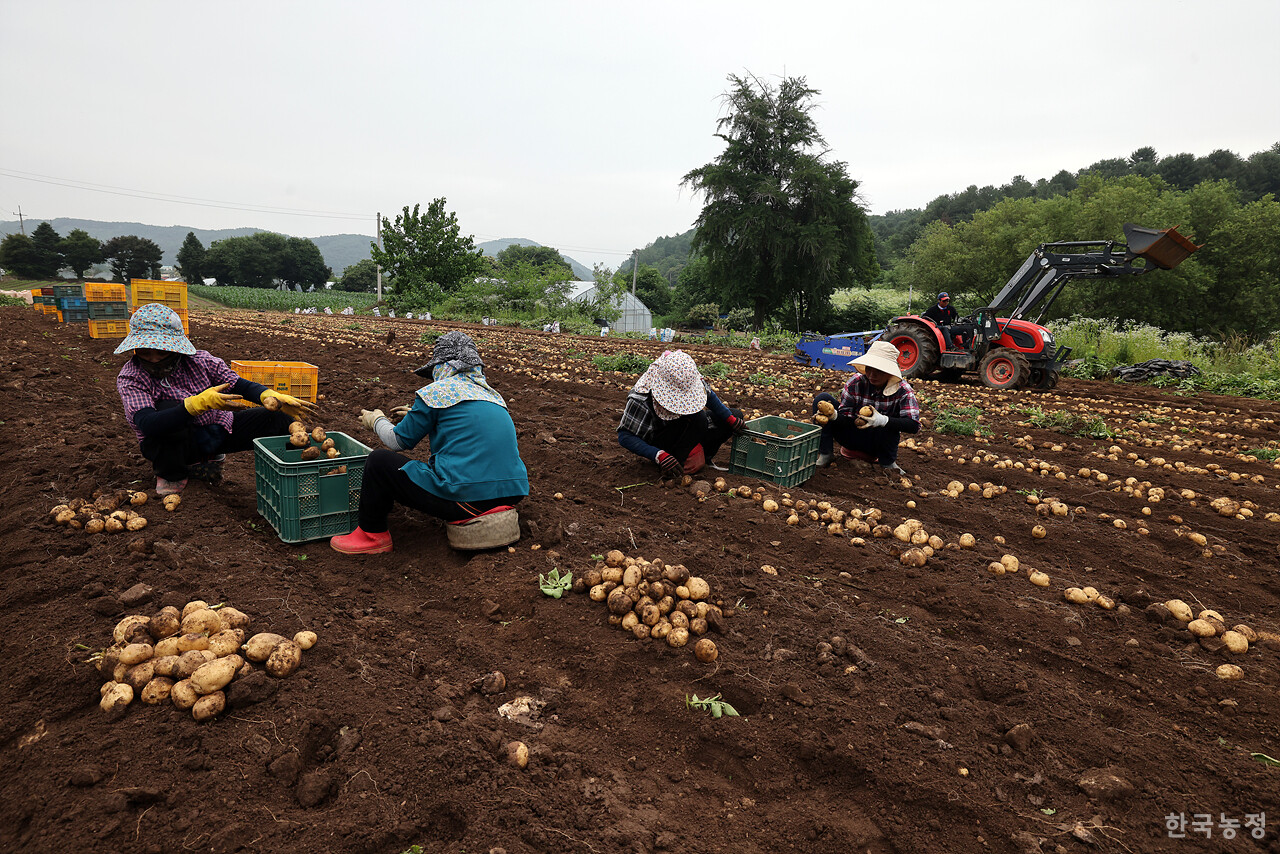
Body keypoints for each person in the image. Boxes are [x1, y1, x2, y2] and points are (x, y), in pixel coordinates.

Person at [330, 331, 528, 555]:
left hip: (466, 499)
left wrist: (376, 421)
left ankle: (371, 535)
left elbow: (397, 441)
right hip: (512, 492)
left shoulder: (436, 393)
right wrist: (418, 415)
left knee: (378, 462)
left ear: (442, 366)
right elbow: (462, 425)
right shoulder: (493, 397)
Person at [115, 303, 316, 495]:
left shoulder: (200, 361)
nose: (153, 358)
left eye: (161, 351)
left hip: (216, 432)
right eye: (144, 351)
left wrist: (267, 395)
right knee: (168, 409)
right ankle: (172, 474)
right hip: (170, 445)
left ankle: (303, 472)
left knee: (278, 418)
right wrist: (194, 405)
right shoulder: (132, 376)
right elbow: (147, 423)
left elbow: (238, 385)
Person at [617, 350, 745, 477]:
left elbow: (710, 396)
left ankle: (703, 457)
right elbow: (625, 436)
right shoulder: (641, 397)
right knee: (699, 419)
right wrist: (658, 455)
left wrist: (730, 419)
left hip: (687, 427)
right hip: (662, 436)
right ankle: (676, 464)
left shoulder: (687, 376)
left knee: (735, 415)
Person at [811, 340, 921, 475]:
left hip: (879, 444)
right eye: (869, 369)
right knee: (821, 400)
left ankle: (887, 463)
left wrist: (883, 420)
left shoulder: (903, 391)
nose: (872, 375)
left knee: (892, 422)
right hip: (851, 436)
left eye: (878, 371)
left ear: (889, 372)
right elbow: (845, 417)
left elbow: (914, 426)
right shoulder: (855, 383)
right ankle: (826, 454)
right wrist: (834, 415)